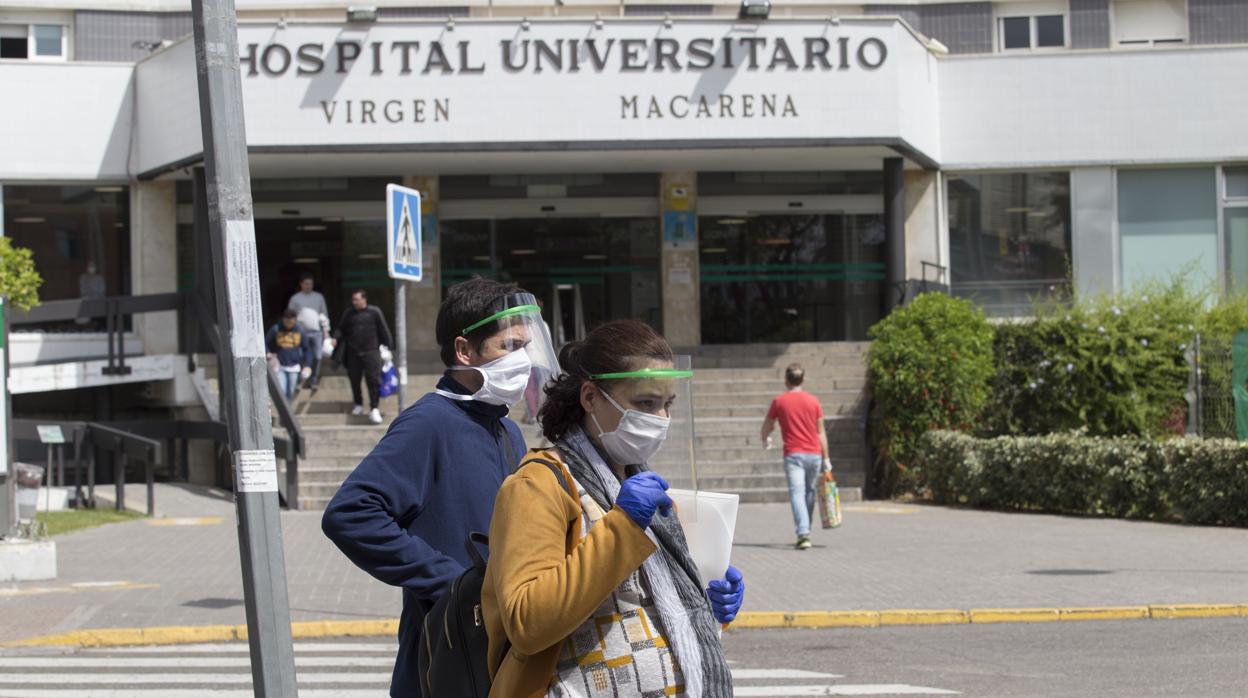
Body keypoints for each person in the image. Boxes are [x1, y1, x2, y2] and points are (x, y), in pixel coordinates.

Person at [321, 279, 560, 698]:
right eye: (509, 346)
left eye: (527, 346)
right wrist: (451, 582)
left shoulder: (505, 428)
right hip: (445, 654)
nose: (523, 360)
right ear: (464, 350)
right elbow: (351, 514)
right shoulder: (429, 422)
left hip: (500, 648)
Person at [483, 319, 744, 698]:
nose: (661, 419)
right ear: (590, 398)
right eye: (645, 403)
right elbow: (527, 621)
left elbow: (645, 604)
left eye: (667, 404)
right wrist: (622, 527)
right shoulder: (538, 485)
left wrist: (708, 603)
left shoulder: (644, 487)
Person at [760, 363, 832, 550]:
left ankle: (803, 532)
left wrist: (765, 439)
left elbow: (767, 425)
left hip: (793, 454)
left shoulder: (779, 401)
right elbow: (821, 432)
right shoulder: (814, 401)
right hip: (814, 453)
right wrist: (826, 458)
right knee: (809, 492)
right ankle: (805, 529)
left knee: (797, 493)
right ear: (803, 379)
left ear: (786, 380)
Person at [333, 289, 394, 424]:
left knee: (373, 380)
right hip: (353, 353)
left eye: (357, 299)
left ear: (364, 299)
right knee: (354, 379)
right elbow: (340, 329)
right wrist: (335, 338)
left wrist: (388, 346)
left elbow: (383, 329)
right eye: (353, 300)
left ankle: (374, 407)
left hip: (371, 352)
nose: (354, 302)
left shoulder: (374, 312)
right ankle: (358, 404)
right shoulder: (349, 313)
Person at [287, 272, 330, 390]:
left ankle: (313, 380)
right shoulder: (295, 298)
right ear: (301, 284)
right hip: (301, 332)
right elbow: (290, 315)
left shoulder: (319, 297)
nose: (308, 286)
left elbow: (323, 314)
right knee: (301, 356)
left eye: (311, 284)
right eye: (306, 284)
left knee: (317, 356)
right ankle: (301, 381)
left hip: (317, 331)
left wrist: (326, 330)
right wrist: (291, 330)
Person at [265, 309, 313, 401]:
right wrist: (268, 353)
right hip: (279, 366)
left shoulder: (300, 331)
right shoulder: (276, 329)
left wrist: (307, 365)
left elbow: (307, 349)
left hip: (294, 366)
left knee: (290, 392)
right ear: (283, 320)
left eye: (291, 323)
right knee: (282, 391)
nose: (288, 326)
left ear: (295, 320)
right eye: (287, 322)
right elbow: (265, 342)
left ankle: (288, 409)